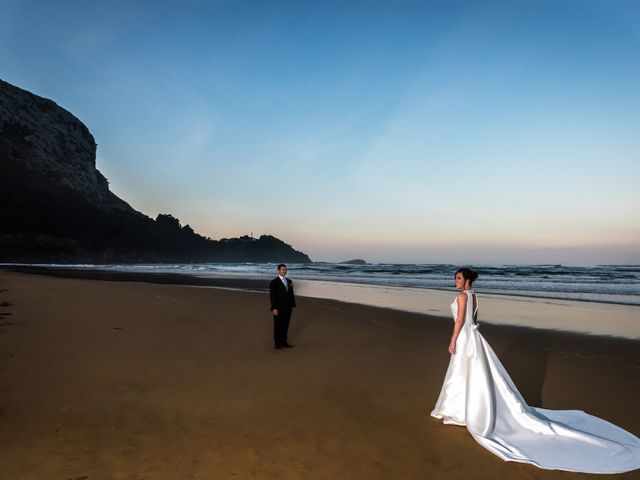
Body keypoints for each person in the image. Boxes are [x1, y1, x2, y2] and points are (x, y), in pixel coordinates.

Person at [431, 268, 640, 474]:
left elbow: (459, 322)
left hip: (465, 337)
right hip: (474, 337)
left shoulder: (461, 297)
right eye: (455, 277)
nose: (455, 280)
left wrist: (452, 341)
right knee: (472, 374)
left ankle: (459, 410)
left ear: (467, 280)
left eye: (458, 277)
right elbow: (474, 321)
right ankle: (463, 409)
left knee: (462, 374)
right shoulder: (473, 295)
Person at [269, 263, 296, 350]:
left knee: (286, 325)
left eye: (285, 269)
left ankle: (284, 342)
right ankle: (277, 344)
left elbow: (291, 295)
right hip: (278, 308)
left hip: (288, 307)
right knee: (278, 326)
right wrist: (274, 308)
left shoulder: (289, 281)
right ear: (279, 270)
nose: (284, 271)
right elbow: (273, 296)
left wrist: (292, 305)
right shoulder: (274, 282)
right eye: (282, 269)